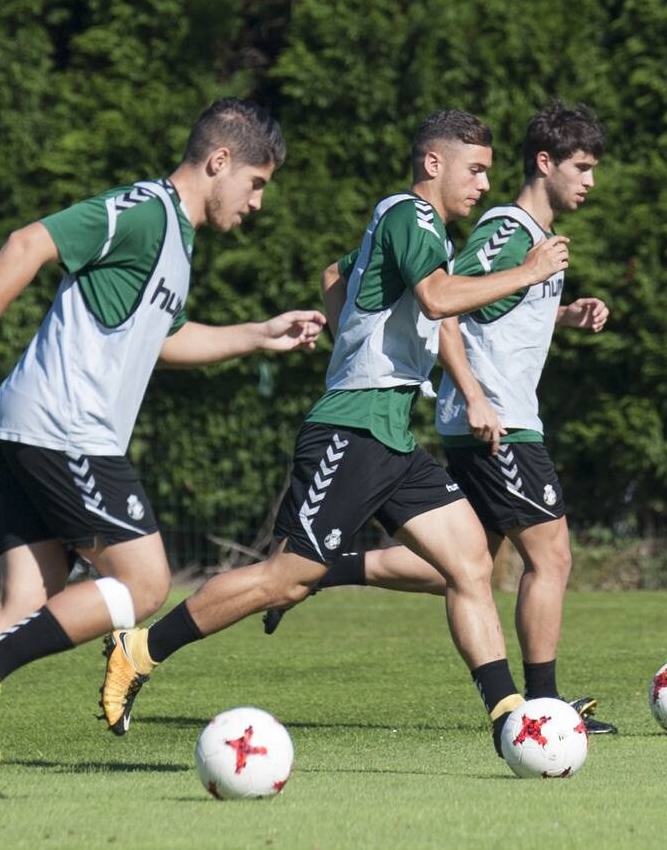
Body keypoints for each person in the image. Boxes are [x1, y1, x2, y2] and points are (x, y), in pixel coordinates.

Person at [0, 98, 326, 804]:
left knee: (25, 598)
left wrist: (257, 333)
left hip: (36, 426)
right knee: (144, 583)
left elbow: (163, 341)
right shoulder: (145, 211)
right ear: (219, 163)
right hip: (66, 427)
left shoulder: (177, 240)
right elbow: (28, 243)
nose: (258, 202)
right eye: (257, 182)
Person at [97, 110, 571, 759]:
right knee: (284, 578)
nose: (484, 183)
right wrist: (529, 269)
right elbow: (436, 299)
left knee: (470, 564)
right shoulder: (411, 215)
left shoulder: (411, 225)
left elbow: (333, 272)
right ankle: (140, 648)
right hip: (351, 428)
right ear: (433, 163)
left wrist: (343, 324)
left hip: (391, 436)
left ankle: (509, 717)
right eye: (476, 169)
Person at [262, 101, 616, 733]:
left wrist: (563, 313)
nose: (590, 182)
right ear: (546, 163)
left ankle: (324, 570)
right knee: (551, 557)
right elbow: (445, 301)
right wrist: (473, 394)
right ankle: (541, 705)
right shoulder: (508, 230)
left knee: (467, 561)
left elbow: (469, 302)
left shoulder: (526, 240)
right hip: (496, 420)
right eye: (582, 167)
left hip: (495, 414)